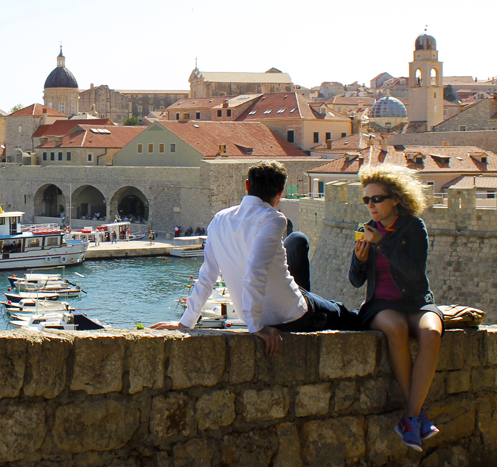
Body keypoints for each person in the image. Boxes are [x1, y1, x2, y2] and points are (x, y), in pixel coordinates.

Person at [151, 161, 358, 354]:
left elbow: (208, 275)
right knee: (339, 312)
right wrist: (257, 326)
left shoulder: (220, 219)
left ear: (247, 185)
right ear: (281, 192)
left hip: (258, 311)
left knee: (296, 240)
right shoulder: (273, 219)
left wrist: (186, 322)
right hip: (289, 316)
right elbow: (255, 271)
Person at [350, 164, 443, 452]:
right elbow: (355, 281)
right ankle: (416, 418)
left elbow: (415, 273)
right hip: (381, 304)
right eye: (367, 200)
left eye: (377, 199)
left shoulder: (413, 227)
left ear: (396, 199)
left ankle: (411, 417)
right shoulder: (364, 231)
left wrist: (383, 243)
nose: (371, 206)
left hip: (416, 301)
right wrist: (360, 259)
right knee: (396, 328)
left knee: (431, 332)